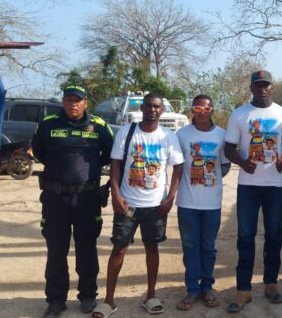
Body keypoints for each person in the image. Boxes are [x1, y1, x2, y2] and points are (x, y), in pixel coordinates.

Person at [93, 94, 184, 318]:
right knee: (119, 249)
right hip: (128, 204)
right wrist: (116, 194)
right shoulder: (127, 132)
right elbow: (115, 163)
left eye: (157, 106)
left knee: (152, 249)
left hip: (155, 206)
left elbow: (178, 168)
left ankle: (151, 296)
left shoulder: (168, 137)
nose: (152, 110)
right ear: (142, 108)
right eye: (149, 106)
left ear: (161, 110)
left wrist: (170, 197)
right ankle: (109, 300)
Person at [32, 85, 114, 318]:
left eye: (78, 100)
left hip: (87, 198)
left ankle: (88, 296)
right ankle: (56, 301)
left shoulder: (99, 126)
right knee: (56, 250)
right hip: (55, 198)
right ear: (63, 102)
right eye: (69, 100)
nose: (73, 104)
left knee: (87, 248)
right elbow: (40, 153)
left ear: (85, 103)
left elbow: (109, 155)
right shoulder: (48, 124)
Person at [224, 69, 282, 313]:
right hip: (248, 186)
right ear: (251, 88)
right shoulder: (239, 114)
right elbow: (229, 148)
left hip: (274, 186)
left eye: (266, 85)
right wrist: (243, 163)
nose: (262, 88)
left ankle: (271, 284)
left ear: (272, 87)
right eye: (258, 85)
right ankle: (243, 289)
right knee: (245, 236)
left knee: (274, 235)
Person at [174, 94, 231, 310]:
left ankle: (207, 287)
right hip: (187, 202)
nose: (202, 112)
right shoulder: (182, 134)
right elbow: (176, 165)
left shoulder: (221, 135)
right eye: (198, 108)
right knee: (190, 246)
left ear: (212, 110)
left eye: (206, 108)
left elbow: (224, 164)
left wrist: (212, 178)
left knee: (208, 247)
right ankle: (191, 290)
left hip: (212, 203)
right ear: (193, 111)